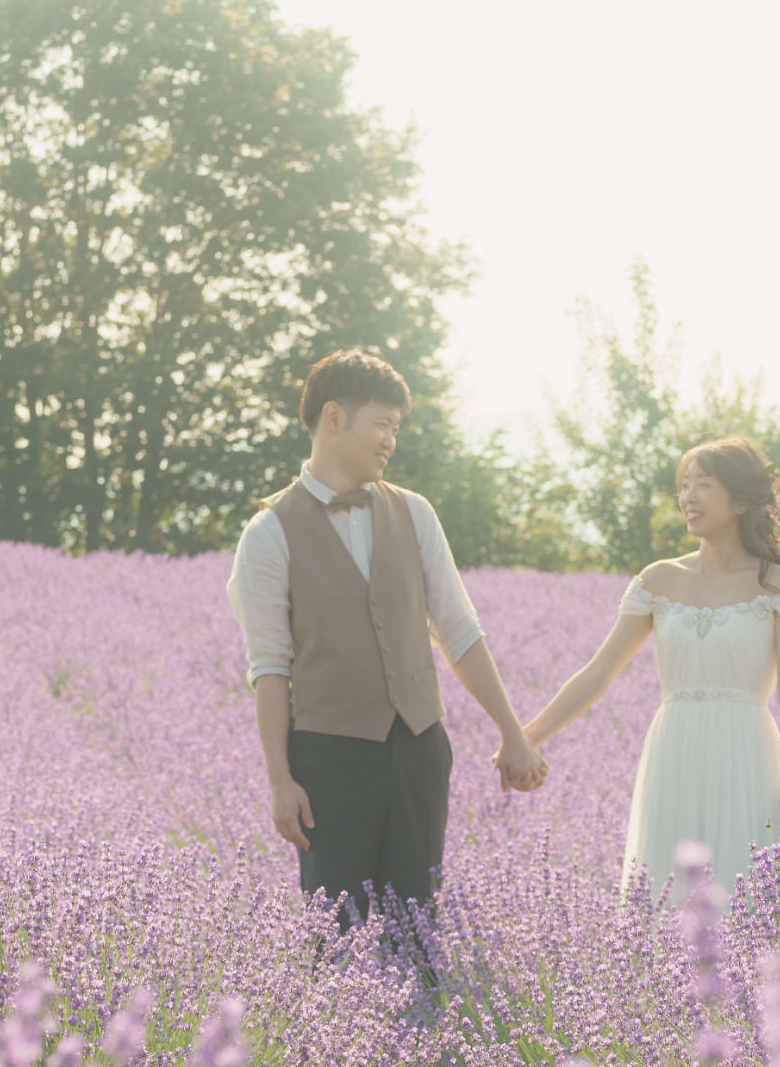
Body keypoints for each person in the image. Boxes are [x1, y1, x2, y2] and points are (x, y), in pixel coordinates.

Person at [226, 349, 546, 933]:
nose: (390, 441)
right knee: (334, 940)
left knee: (420, 933)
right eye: (381, 424)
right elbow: (269, 667)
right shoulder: (268, 533)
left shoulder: (415, 513)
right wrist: (279, 779)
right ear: (333, 418)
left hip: (420, 748)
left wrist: (512, 732)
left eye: (396, 427)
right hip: (327, 761)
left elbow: (459, 629)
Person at [521, 435, 780, 896]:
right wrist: (526, 738)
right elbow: (598, 672)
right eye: (684, 485)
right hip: (673, 753)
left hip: (746, 755)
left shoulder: (778, 585)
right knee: (666, 894)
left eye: (704, 484)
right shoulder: (659, 580)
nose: (688, 497)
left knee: (745, 895)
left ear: (741, 501)